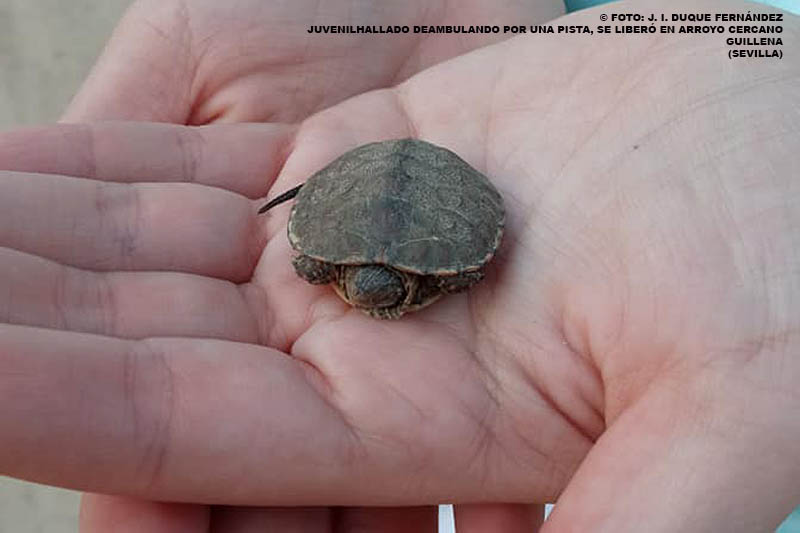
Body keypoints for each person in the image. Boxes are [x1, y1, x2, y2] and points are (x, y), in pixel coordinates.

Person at [1, 0, 798, 531]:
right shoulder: (327, 265)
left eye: (385, 296)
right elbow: (311, 249)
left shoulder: (419, 273)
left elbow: (473, 257)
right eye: (368, 291)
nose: (376, 302)